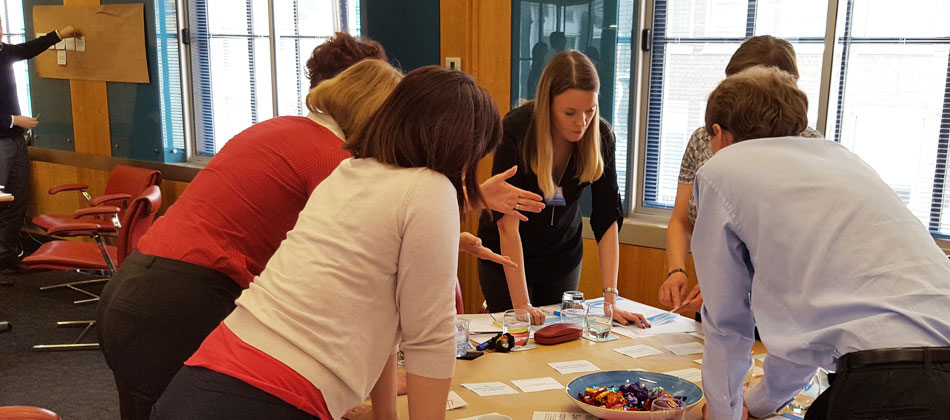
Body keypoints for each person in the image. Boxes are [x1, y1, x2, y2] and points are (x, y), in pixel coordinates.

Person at [96, 48, 541, 420]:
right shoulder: (430, 188)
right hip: (269, 395)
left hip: (205, 375)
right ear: (460, 146)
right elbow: (430, 338)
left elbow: (387, 323)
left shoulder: (351, 170)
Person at [694, 66, 950, 419]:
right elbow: (807, 340)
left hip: (893, 388)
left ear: (719, 134)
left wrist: (722, 413)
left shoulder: (723, 169)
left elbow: (727, 324)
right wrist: (757, 404)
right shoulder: (842, 160)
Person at [477, 50, 647, 327]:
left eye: (589, 111)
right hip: (507, 256)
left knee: (557, 338)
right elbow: (507, 222)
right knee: (517, 337)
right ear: (547, 104)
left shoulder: (601, 137)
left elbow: (607, 218)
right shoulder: (518, 129)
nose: (581, 122)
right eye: (570, 113)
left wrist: (610, 299)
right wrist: (521, 304)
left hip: (561, 256)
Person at [658, 35, 822, 314]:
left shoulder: (809, 148)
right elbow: (682, 219)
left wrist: (735, 285)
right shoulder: (705, 137)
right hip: (717, 298)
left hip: (782, 305)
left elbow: (793, 246)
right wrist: (677, 270)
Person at [0, 23, 81, 274]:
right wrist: (14, 120)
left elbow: (28, 49)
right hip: (2, 141)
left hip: (15, 140)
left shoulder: (3, 51)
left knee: (16, 201)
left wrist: (59, 35)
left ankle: (6, 259)